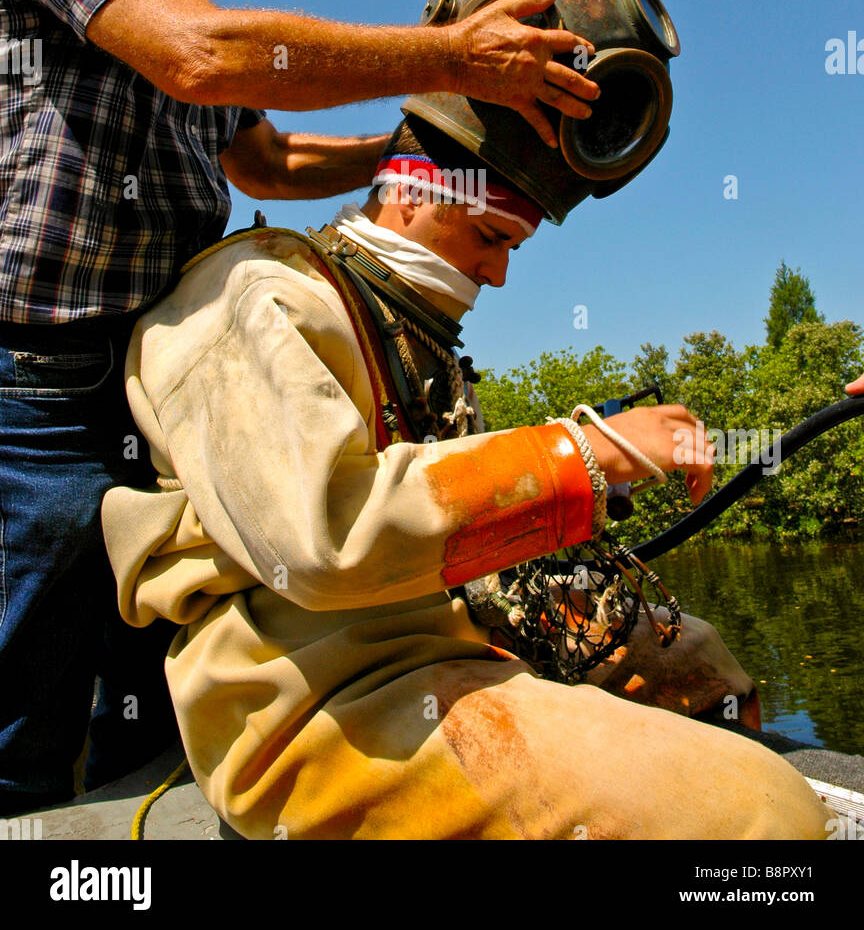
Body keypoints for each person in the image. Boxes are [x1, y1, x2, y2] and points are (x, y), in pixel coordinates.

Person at [0, 0, 599, 816]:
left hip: (163, 394)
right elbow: (200, 58)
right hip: (40, 399)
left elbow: (266, 163)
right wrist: (451, 57)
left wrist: (435, 154)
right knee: (26, 712)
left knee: (165, 705)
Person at [101, 104, 827, 839]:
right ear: (412, 193)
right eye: (490, 237)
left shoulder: (413, 327)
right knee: (762, 816)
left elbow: (443, 512)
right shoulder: (257, 297)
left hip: (447, 633)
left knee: (702, 673)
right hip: (309, 696)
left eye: (514, 247)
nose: (500, 273)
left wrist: (600, 481)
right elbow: (325, 543)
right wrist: (587, 453)